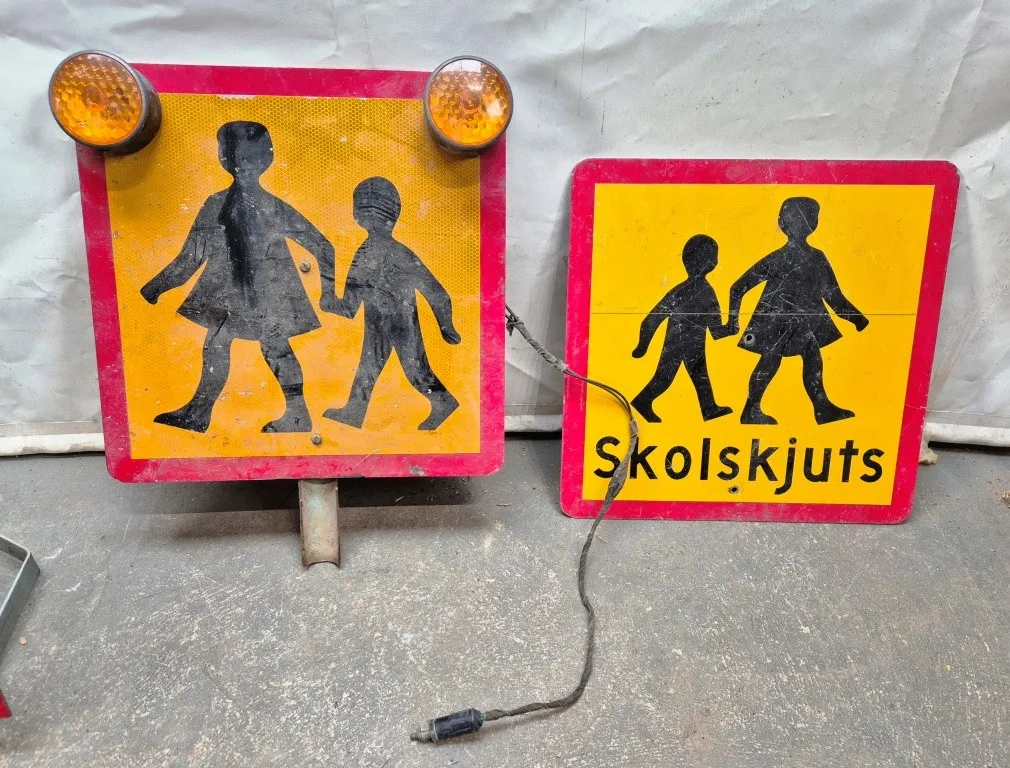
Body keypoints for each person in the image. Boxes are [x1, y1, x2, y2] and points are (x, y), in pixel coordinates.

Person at [140, 121, 335, 434]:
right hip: (242, 297)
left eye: (246, 157)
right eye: (240, 157)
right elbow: (192, 256)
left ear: (223, 157)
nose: (243, 164)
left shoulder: (236, 205)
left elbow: (323, 247)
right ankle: (203, 412)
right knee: (242, 345)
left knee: (256, 346)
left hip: (259, 298)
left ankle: (290, 415)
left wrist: (154, 288)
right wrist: (156, 286)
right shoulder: (239, 205)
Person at [320, 176, 461, 430]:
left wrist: (447, 326)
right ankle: (354, 411)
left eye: (369, 207)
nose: (366, 213)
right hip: (378, 321)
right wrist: (329, 300)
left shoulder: (381, 252)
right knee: (370, 367)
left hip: (400, 322)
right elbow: (351, 306)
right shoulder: (373, 252)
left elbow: (434, 290)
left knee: (415, 370)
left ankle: (444, 402)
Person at [723, 196, 869, 425]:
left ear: (782, 223)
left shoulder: (800, 258)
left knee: (807, 356)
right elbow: (834, 297)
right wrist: (858, 320)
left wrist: (857, 318)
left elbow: (833, 297)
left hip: (794, 322)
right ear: (813, 224)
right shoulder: (799, 258)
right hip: (777, 322)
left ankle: (819, 407)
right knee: (774, 360)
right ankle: (753, 409)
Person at [631, 234, 734, 423]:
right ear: (710, 262)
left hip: (684, 342)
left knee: (698, 375)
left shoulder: (680, 290)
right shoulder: (706, 292)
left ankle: (709, 408)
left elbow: (652, 319)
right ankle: (642, 401)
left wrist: (643, 345)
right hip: (683, 344)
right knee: (665, 377)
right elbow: (716, 332)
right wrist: (732, 327)